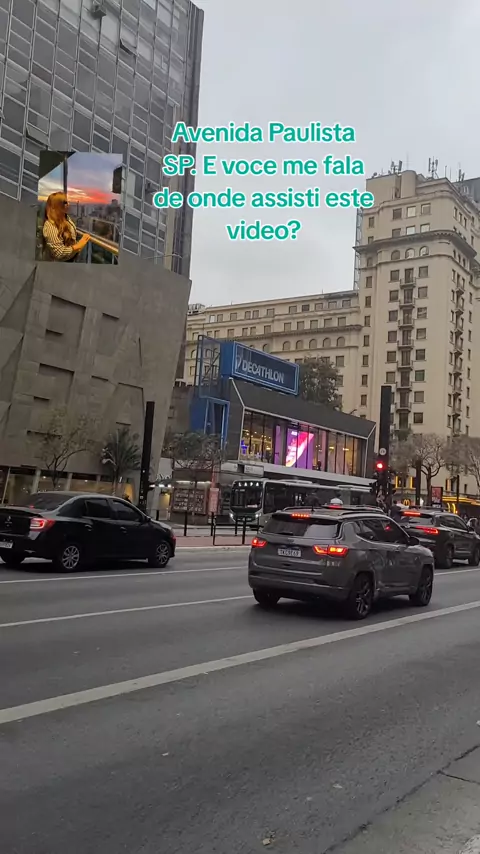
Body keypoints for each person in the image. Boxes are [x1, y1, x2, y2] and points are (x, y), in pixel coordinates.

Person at [42, 192, 90, 261]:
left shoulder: (66, 218)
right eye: (65, 202)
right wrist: (78, 245)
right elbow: (58, 253)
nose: (68, 204)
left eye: (67, 202)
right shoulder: (50, 226)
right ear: (56, 205)